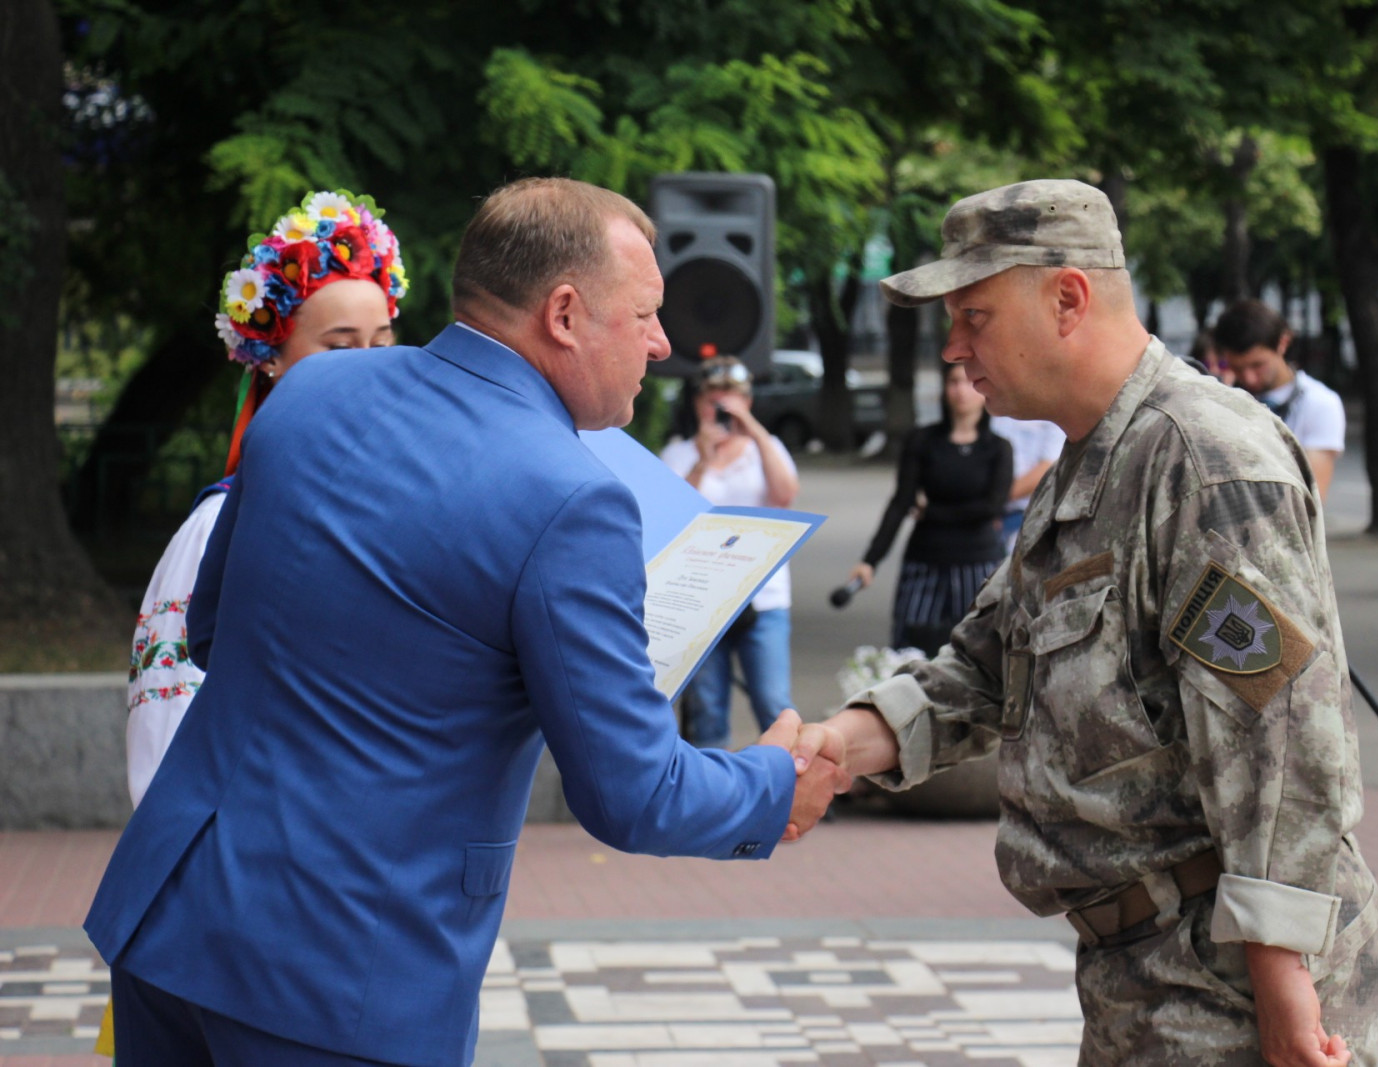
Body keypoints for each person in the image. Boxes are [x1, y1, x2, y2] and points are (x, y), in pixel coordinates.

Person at [86, 177, 847, 1067]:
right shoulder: (574, 499)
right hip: (343, 976)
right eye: (643, 314)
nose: (662, 342)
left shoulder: (309, 392)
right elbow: (632, 792)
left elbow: (213, 631)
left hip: (170, 917)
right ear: (564, 313)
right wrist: (770, 785)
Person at [800, 179, 1378, 1066]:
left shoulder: (1203, 461)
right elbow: (980, 670)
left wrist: (1281, 983)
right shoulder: (1090, 464)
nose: (955, 350)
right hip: (1145, 967)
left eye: (975, 316)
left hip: (1231, 974)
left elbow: (1280, 735)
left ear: (1066, 298)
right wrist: (831, 747)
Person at [125, 189, 408, 808]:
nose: (368, 367)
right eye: (338, 346)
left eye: (382, 343)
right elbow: (165, 740)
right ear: (272, 358)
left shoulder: (410, 507)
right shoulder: (217, 527)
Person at [660, 355, 799, 748]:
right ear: (696, 403)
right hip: (700, 602)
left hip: (765, 595)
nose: (720, 408)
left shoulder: (765, 449)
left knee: (773, 702)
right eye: (712, 400)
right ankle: (712, 803)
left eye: (730, 400)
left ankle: (793, 790)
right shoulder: (679, 455)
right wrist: (703, 461)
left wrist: (752, 429)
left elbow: (785, 493)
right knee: (706, 708)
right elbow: (672, 516)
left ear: (747, 401)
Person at [844, 361, 1012, 656]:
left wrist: (932, 513)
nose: (960, 390)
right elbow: (900, 502)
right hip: (926, 561)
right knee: (911, 650)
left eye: (968, 382)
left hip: (978, 562)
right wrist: (871, 560)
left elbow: (992, 507)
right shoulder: (923, 440)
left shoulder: (998, 448)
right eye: (953, 382)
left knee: (979, 651)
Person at [1212, 299, 1346, 500]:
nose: (1249, 378)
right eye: (1237, 368)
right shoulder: (1220, 399)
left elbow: (1312, 497)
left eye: (1258, 365)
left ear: (1283, 343)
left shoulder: (1320, 403)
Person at [989, 414, 1066, 549]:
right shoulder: (992, 406)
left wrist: (990, 502)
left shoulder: (1051, 413)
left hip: (1030, 514)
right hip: (988, 518)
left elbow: (1049, 467)